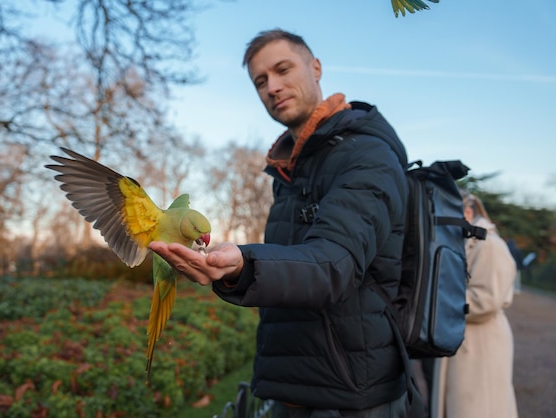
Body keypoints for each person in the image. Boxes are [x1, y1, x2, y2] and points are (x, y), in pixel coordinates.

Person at [150, 29, 410, 417]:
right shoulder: (290, 170)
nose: (272, 86)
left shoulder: (367, 155)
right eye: (260, 81)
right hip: (295, 390)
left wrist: (244, 263)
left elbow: (332, 265)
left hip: (352, 397)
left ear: (316, 67)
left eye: (283, 69)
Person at [430, 192, 518, 418]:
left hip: (482, 344)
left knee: (480, 407)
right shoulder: (471, 242)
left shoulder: (489, 245)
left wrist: (437, 301)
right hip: (467, 339)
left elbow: (486, 299)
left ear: (467, 212)